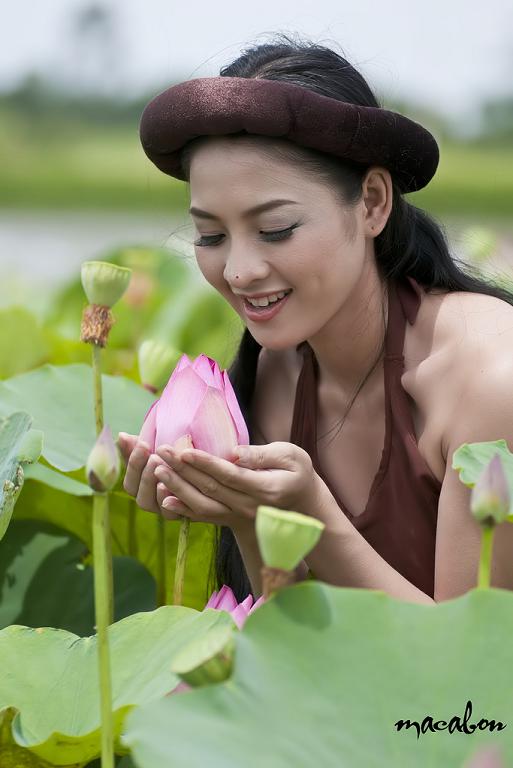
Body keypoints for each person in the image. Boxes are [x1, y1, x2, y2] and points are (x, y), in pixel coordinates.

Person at [118, 34, 513, 606]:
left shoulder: (492, 379)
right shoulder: (274, 376)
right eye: (210, 236)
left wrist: (312, 516)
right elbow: (294, 640)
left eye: (275, 229)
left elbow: (473, 658)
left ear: (373, 202)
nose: (239, 270)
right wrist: (247, 516)